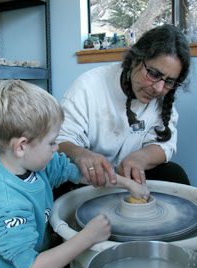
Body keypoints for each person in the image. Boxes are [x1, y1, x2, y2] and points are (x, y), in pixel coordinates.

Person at [0, 80, 149, 268]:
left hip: (28, 257)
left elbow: (85, 175)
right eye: (52, 142)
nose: (57, 148)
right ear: (21, 147)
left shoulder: (35, 164)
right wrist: (88, 236)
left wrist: (128, 184)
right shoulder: (6, 204)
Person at [57, 24, 191, 189]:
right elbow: (61, 141)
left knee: (174, 173)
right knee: (57, 182)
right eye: (154, 74)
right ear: (135, 60)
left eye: (169, 81)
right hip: (90, 180)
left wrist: (140, 158)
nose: (158, 88)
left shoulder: (162, 100)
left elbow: (165, 145)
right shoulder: (88, 86)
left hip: (133, 177)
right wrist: (80, 154)